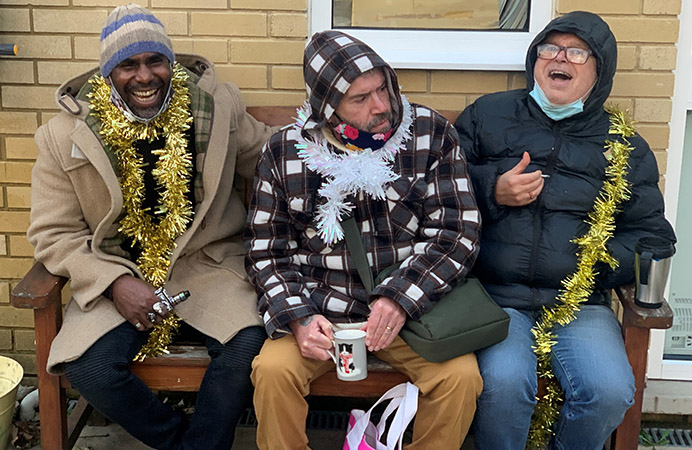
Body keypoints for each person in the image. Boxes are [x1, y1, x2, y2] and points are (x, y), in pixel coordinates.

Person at [27, 4, 274, 449]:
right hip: (116, 274)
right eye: (128, 64)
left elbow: (273, 159)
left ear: (170, 64)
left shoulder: (217, 108)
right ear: (107, 74)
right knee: (90, 368)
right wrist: (115, 282)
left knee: (247, 346)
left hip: (208, 268)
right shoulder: (63, 137)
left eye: (155, 61)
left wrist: (340, 147)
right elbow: (53, 235)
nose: (144, 76)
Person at [245, 30, 483, 450]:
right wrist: (298, 317)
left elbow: (458, 233)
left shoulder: (430, 134)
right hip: (322, 309)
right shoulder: (285, 152)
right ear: (327, 109)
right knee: (272, 373)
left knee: (460, 379)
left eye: (382, 89)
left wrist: (399, 299)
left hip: (412, 312)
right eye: (360, 98)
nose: (381, 107)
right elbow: (266, 252)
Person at [454, 10, 677, 450]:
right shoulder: (487, 115)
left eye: (577, 52)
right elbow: (438, 193)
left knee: (610, 390)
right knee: (503, 384)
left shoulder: (623, 145)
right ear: (535, 59)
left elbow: (654, 237)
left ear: (600, 71)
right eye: (550, 48)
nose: (561, 58)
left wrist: (593, 265)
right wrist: (493, 189)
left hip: (580, 307)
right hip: (498, 297)